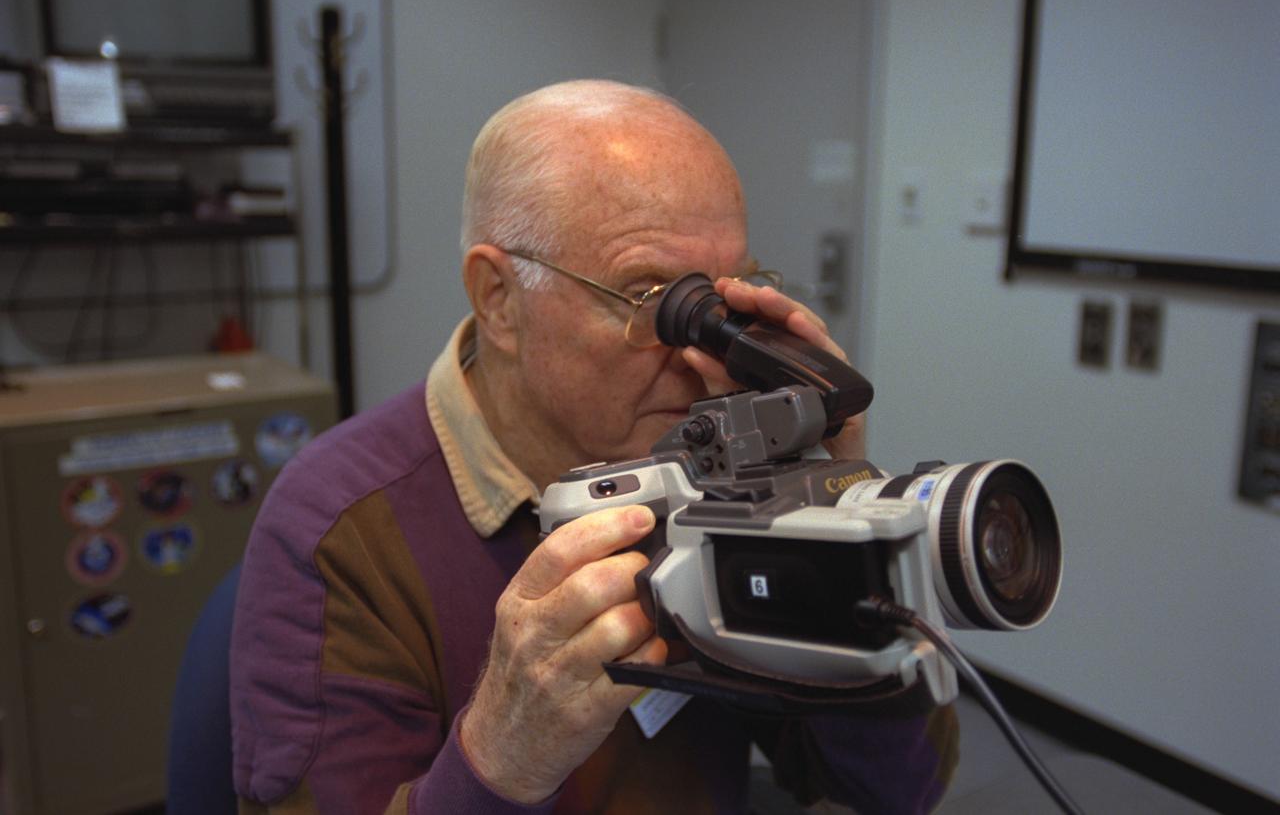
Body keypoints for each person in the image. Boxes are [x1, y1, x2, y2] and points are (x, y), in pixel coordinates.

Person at [230, 79, 958, 814]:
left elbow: (898, 791)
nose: (706, 356)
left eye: (725, 299)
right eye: (650, 298)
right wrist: (502, 759)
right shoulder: (340, 529)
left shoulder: (717, 475)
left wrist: (848, 539)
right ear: (499, 299)